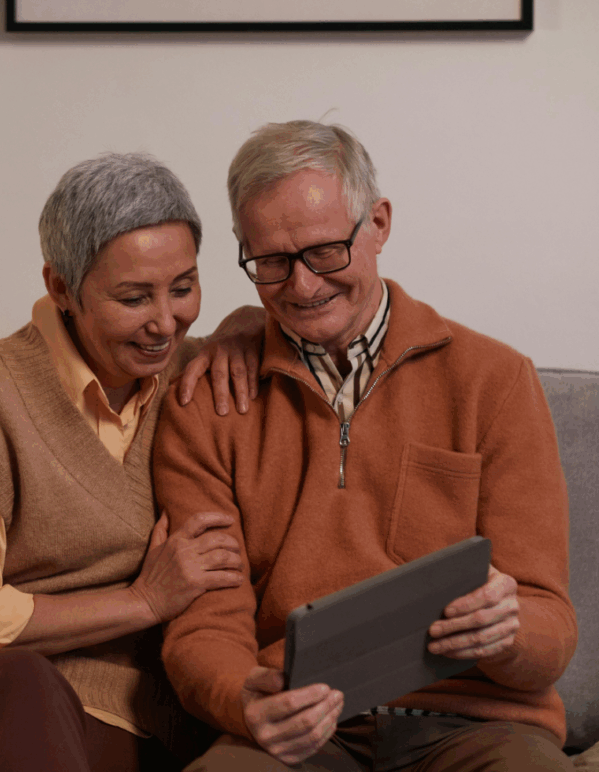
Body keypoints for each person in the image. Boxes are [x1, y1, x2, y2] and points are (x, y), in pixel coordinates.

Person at [153, 120, 577, 772]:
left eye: (325, 251)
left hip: (476, 725)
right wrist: (244, 698)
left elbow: (550, 621)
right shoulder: (205, 401)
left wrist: (510, 631)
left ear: (377, 224)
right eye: (271, 262)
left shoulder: (493, 380)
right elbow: (205, 622)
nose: (301, 286)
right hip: (302, 727)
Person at [0, 151, 266, 772]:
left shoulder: (200, 378)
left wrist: (253, 326)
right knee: (22, 685)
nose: (166, 322)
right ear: (61, 287)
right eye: (133, 297)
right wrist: (143, 602)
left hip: (110, 707)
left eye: (183, 287)